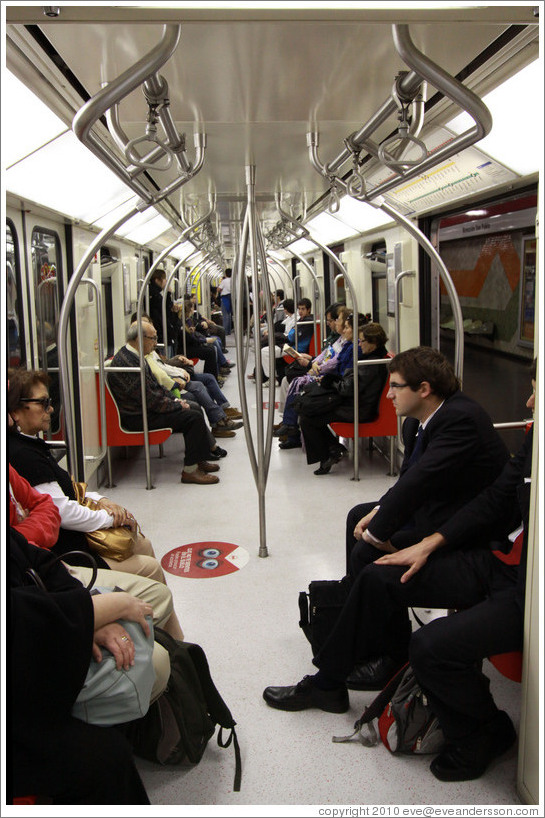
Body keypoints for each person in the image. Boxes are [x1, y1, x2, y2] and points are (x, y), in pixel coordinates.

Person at [264, 370, 536, 783]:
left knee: (428, 643)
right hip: (502, 558)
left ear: (423, 389)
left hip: (527, 582)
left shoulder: (461, 420)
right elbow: (496, 495)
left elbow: (431, 485)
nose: (529, 405)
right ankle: (329, 682)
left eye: (537, 394)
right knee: (376, 575)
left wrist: (399, 534)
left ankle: (484, 731)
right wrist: (429, 543)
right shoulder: (533, 439)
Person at [262, 346, 512, 697]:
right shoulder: (417, 423)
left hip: (468, 530)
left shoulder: (461, 419)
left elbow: (420, 481)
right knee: (357, 517)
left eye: (395, 386)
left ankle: (348, 668)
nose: (388, 394)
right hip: (444, 509)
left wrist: (379, 533)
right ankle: (368, 635)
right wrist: (378, 513)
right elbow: (409, 480)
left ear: (423, 389)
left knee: (369, 557)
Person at [9, 528, 151, 804]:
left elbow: (39, 560)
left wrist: (92, 618)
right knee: (105, 759)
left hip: (42, 641)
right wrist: (101, 610)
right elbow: (19, 619)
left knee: (126, 653)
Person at [107, 322, 222, 484]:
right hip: (137, 416)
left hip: (144, 409)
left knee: (194, 407)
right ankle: (190, 471)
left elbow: (154, 388)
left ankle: (198, 460)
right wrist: (176, 405)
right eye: (152, 338)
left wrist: (174, 400)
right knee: (192, 416)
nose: (155, 343)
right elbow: (148, 399)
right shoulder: (128, 363)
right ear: (139, 338)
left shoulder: (135, 356)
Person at [148, 268, 179, 354]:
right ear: (157, 280)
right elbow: (165, 311)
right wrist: (168, 293)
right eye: (164, 279)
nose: (166, 281)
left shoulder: (155, 294)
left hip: (162, 331)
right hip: (161, 333)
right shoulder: (154, 295)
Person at [219, 268, 233, 335]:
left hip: (225, 298)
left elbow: (219, 289)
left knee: (225, 315)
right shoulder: (233, 280)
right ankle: (229, 331)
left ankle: (225, 331)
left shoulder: (224, 281)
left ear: (225, 274)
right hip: (231, 297)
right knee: (229, 315)